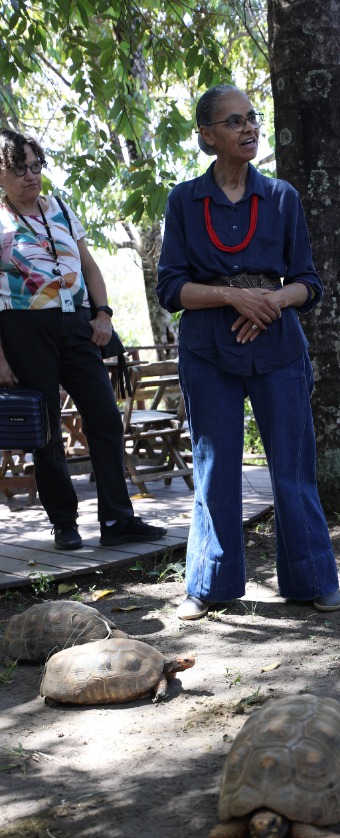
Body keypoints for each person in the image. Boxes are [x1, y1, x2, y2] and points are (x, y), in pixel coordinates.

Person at [156, 84, 340, 621]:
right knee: (216, 469)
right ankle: (210, 585)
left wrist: (271, 300)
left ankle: (312, 577)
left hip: (279, 347)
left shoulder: (282, 197)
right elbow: (172, 288)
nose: (248, 129)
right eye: (234, 122)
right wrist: (233, 296)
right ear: (207, 136)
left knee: (293, 466)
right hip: (208, 349)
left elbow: (308, 281)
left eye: (252, 118)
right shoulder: (183, 201)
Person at [0, 127, 166, 550]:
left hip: (76, 324)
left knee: (106, 417)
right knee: (48, 429)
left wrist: (104, 314)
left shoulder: (59, 209)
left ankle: (116, 519)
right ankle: (65, 523)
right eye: (19, 168)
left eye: (36, 167)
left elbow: (89, 267)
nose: (30, 176)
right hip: (22, 329)